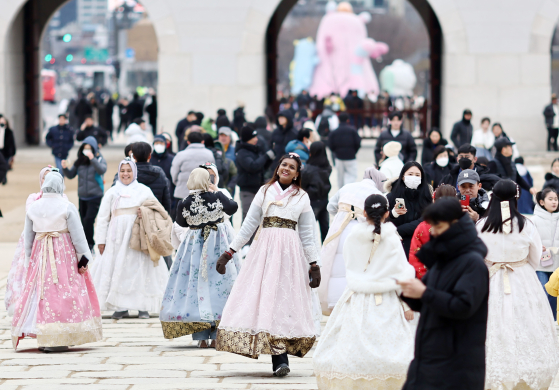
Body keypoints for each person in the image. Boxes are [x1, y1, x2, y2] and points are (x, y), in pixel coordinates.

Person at [215, 154, 320, 377]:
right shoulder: (264, 191)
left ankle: (280, 357)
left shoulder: (302, 197)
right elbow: (249, 224)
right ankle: (277, 357)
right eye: (284, 165)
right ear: (278, 167)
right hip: (264, 252)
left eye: (292, 167)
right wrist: (230, 252)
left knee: (283, 302)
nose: (287, 169)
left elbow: (308, 234)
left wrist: (314, 264)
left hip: (290, 256)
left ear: (297, 173)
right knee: (265, 299)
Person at [313, 194, 416, 389]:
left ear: (365, 212)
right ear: (387, 213)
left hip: (357, 298)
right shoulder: (392, 238)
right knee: (393, 352)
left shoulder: (352, 237)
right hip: (386, 299)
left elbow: (349, 266)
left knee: (352, 351)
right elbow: (402, 272)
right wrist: (407, 303)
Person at [398, 198, 489, 390]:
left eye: (438, 226)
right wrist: (409, 292)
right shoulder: (443, 259)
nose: (434, 232)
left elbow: (463, 306)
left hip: (457, 361)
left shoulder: (473, 262)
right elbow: (426, 300)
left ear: (455, 223)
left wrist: (424, 292)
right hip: (430, 355)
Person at [478, 180, 559, 390]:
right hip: (522, 277)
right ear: (516, 197)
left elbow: (477, 255)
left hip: (491, 277)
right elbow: (536, 258)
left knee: (494, 324)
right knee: (527, 323)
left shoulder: (481, 224)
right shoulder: (527, 224)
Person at [11, 172, 102, 352]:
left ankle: (44, 334)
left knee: (42, 292)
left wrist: (29, 258)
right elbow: (78, 235)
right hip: (64, 253)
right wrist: (83, 257)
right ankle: (63, 334)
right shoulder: (66, 206)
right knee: (65, 290)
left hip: (40, 252)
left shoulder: (34, 207)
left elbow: (28, 237)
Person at [160, 168, 240, 348]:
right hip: (217, 245)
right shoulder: (217, 197)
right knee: (219, 287)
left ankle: (201, 337)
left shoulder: (184, 203)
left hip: (194, 247)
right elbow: (233, 207)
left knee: (196, 287)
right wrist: (216, 192)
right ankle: (217, 333)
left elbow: (180, 223)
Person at [91, 158, 169, 319]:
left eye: (128, 171)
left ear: (134, 172)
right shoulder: (112, 192)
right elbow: (103, 217)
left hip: (138, 236)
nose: (125, 174)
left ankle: (143, 306)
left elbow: (156, 209)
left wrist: (145, 212)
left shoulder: (144, 190)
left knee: (140, 268)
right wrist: (101, 240)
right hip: (116, 239)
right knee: (119, 268)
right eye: (122, 171)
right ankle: (120, 305)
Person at [317, 167, 386, 314]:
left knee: (333, 265)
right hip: (361, 231)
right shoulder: (378, 194)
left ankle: (333, 302)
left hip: (339, 228)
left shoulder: (347, 187)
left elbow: (330, 206)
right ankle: (351, 304)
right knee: (354, 266)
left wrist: (342, 214)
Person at [4, 166, 66, 316]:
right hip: (35, 237)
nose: (47, 181)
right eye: (44, 177)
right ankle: (27, 303)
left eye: (51, 177)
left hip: (55, 239)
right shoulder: (33, 198)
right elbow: (31, 214)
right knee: (29, 270)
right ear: (40, 180)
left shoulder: (64, 199)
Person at [62, 136, 107, 251]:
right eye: (85, 148)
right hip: (82, 196)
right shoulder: (79, 161)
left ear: (94, 149)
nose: (86, 150)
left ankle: (90, 245)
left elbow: (102, 170)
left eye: (89, 148)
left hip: (95, 195)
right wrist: (65, 168)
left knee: (89, 220)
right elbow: (71, 175)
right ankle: (85, 245)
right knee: (83, 221)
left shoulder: (99, 159)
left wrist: (93, 159)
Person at [409, 184, 457, 278]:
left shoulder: (423, 227)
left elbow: (414, 257)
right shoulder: (462, 225)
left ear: (434, 200)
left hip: (429, 277)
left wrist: (426, 278)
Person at [386, 162, 433, 258]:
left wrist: (397, 231)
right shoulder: (391, 196)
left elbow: (425, 220)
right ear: (403, 176)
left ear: (422, 178)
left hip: (420, 244)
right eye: (410, 174)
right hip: (397, 246)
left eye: (417, 175)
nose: (413, 177)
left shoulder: (427, 197)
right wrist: (393, 214)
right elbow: (383, 219)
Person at [235, 127, 275, 222]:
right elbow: (252, 167)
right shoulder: (242, 153)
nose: (256, 139)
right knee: (249, 218)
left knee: (259, 219)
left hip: (258, 189)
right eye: (254, 137)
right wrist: (265, 156)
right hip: (247, 191)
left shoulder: (255, 150)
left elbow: (261, 168)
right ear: (248, 138)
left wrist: (269, 159)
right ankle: (246, 238)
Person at [533, 188, 559, 321]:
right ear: (542, 202)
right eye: (550, 199)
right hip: (541, 264)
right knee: (543, 293)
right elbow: (529, 240)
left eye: (556, 199)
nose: (554, 202)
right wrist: (538, 247)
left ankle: (554, 321)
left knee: (555, 294)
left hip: (557, 265)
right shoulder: (534, 220)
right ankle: (543, 322)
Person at [171, 131, 215, 206]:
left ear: (188, 142)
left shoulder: (180, 155)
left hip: (183, 193)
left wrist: (179, 183)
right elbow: (213, 174)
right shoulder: (209, 154)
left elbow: (174, 173)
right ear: (203, 141)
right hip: (203, 193)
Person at [301, 141, 332, 242]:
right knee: (325, 228)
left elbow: (302, 186)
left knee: (310, 230)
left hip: (312, 201)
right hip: (324, 199)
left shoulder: (307, 169)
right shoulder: (327, 167)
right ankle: (326, 251)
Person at [131, 142, 171, 214]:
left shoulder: (128, 174)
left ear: (133, 156)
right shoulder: (159, 172)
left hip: (133, 215)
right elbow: (166, 200)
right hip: (155, 215)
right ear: (150, 156)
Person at [328, 112, 362, 189]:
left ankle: (341, 192)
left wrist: (336, 152)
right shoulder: (353, 130)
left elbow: (330, 144)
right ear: (347, 120)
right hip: (351, 157)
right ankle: (348, 191)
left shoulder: (334, 132)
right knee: (351, 176)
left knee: (340, 177)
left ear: (338, 120)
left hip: (339, 157)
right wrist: (354, 152)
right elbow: (358, 143)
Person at [151, 135, 176, 210]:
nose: (159, 145)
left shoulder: (172, 158)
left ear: (165, 144)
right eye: (156, 143)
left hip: (168, 193)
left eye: (161, 143)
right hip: (152, 193)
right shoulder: (149, 158)